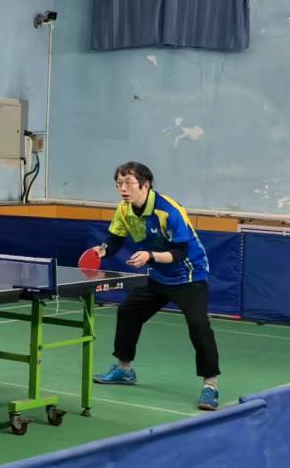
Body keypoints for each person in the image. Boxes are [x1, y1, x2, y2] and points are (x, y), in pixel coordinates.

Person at [88, 161, 221, 411]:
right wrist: (103, 250)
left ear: (145, 184)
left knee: (198, 325)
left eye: (129, 183)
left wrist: (149, 256)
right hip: (159, 275)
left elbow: (180, 253)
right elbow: (115, 239)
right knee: (128, 312)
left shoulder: (168, 211)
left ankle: (210, 385)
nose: (123, 189)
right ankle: (125, 370)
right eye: (119, 184)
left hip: (189, 275)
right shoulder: (124, 209)